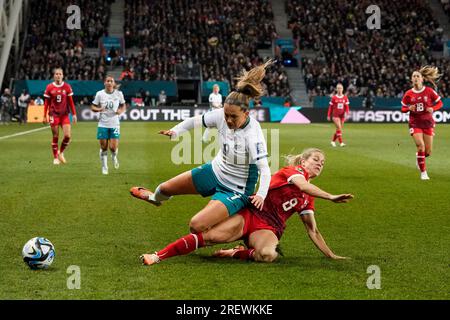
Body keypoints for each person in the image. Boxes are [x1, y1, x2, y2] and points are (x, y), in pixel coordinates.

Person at [140, 148, 354, 265]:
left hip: (269, 228)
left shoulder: (308, 198)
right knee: (205, 234)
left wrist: (331, 255)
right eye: (316, 159)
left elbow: (312, 230)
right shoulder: (293, 172)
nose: (320, 163)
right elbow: (303, 185)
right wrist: (331, 196)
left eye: (323, 163)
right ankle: (158, 255)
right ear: (303, 161)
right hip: (250, 213)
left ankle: (234, 253)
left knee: (268, 255)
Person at [130, 61, 274, 233]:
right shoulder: (222, 115)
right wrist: (175, 131)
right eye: (226, 115)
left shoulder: (253, 134)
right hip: (215, 171)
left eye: (233, 117)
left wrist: (260, 195)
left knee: (196, 225)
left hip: (236, 188)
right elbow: (195, 121)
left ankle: (239, 226)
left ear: (246, 113)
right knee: (164, 189)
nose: (228, 120)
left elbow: (264, 170)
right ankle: (155, 199)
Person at [401, 66, 443, 180]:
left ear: (422, 79)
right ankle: (423, 173)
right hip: (414, 123)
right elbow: (403, 108)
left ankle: (418, 157)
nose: (415, 78)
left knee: (428, 152)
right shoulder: (408, 93)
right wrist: (409, 108)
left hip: (428, 123)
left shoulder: (429, 91)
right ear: (411, 79)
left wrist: (433, 108)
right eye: (413, 76)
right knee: (420, 146)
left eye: (417, 76)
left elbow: (440, 103)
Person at [91, 76, 127, 175]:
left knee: (113, 148)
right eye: (107, 81)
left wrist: (120, 110)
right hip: (103, 124)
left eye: (111, 81)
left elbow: (123, 105)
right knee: (104, 147)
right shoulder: (100, 94)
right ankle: (104, 167)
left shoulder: (119, 94)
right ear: (105, 83)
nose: (109, 83)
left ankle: (114, 156)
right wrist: (98, 109)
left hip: (115, 124)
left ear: (113, 83)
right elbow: (93, 106)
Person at [42, 68, 77, 164]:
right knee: (55, 135)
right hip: (54, 114)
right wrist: (44, 115)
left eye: (60, 74)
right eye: (56, 74)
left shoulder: (67, 87)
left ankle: (60, 152)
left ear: (62, 75)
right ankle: (55, 158)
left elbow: (71, 102)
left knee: (67, 136)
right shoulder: (49, 87)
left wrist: (74, 114)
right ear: (54, 76)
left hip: (64, 115)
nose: (58, 75)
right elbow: (46, 103)